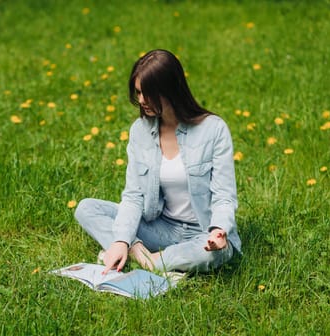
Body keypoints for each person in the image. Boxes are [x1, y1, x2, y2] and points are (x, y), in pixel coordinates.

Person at [74, 49, 241, 275]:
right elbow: (133, 195)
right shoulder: (140, 131)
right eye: (139, 93)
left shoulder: (213, 129)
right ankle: (144, 254)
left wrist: (219, 231)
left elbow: (224, 194)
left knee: (211, 253)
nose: (141, 101)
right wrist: (122, 240)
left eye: (148, 94)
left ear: (171, 91)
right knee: (87, 208)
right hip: (161, 227)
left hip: (203, 234)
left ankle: (147, 259)